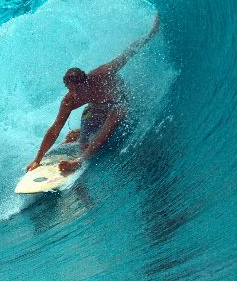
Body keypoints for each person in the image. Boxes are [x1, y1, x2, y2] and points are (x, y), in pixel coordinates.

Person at [26, 14, 161, 174]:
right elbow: (55, 128)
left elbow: (128, 52)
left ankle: (78, 161)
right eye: (70, 90)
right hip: (97, 109)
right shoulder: (70, 100)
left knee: (116, 112)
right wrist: (37, 159)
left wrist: (151, 33)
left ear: (86, 82)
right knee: (83, 142)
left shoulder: (103, 74)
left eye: (77, 89)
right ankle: (77, 135)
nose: (75, 94)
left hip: (121, 103)